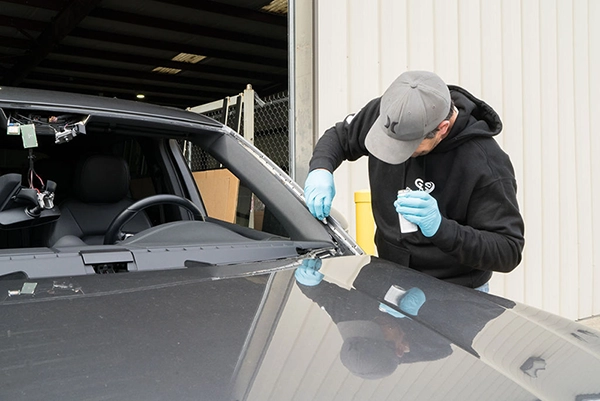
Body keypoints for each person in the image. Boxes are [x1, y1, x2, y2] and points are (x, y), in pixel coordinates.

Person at [304, 70, 525, 289]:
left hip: (454, 293)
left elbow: (507, 250)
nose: (393, 152)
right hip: (391, 278)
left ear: (442, 129)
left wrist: (441, 228)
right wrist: (321, 169)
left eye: (407, 146)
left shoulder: (485, 164)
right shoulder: (391, 113)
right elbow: (341, 136)